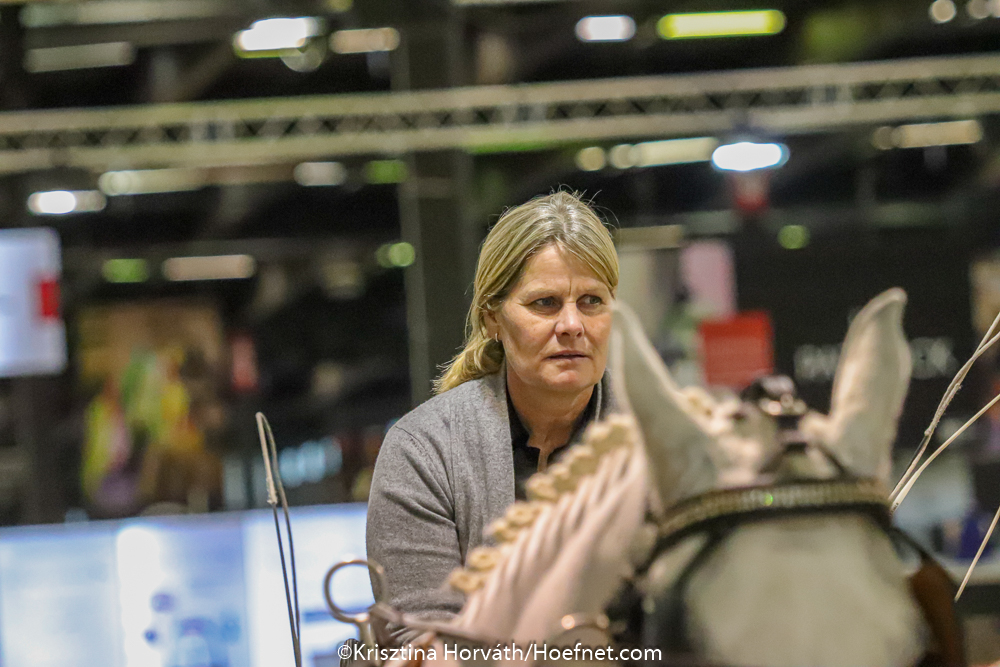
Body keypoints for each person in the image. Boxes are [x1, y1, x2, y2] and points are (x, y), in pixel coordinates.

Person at [366, 191, 620, 627]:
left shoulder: (659, 440)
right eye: (545, 303)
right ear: (492, 319)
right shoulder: (424, 451)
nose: (572, 325)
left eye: (592, 301)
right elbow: (421, 638)